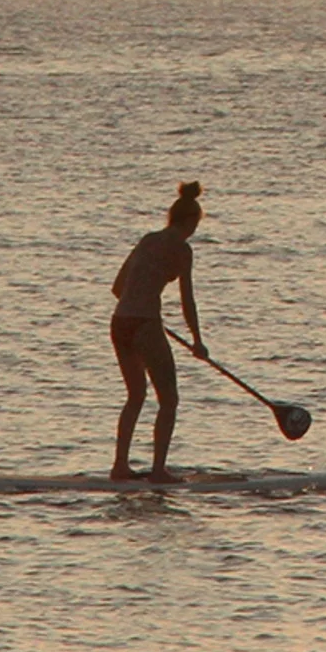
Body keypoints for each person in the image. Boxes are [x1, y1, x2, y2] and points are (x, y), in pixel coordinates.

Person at [109, 181, 208, 482]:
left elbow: (117, 288)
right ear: (190, 222)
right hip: (143, 325)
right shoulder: (182, 248)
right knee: (169, 399)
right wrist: (197, 340)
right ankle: (157, 471)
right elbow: (186, 299)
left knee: (136, 395)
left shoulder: (148, 239)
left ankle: (120, 467)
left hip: (120, 322)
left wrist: (142, 310)